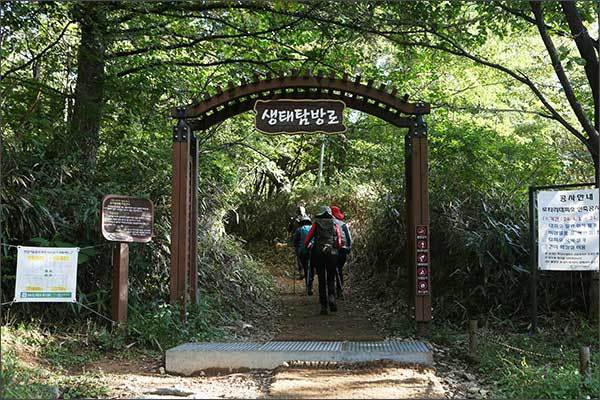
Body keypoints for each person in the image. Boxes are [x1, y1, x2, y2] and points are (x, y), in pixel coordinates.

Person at [304, 206, 342, 315]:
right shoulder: (334, 224)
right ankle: (332, 298)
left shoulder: (316, 223)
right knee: (331, 278)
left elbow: (307, 239)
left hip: (318, 253)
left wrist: (308, 247)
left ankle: (324, 306)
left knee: (321, 279)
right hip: (332, 254)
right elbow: (339, 241)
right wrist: (336, 248)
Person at [331, 205, 352, 297]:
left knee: (331, 270)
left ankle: (331, 292)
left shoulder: (327, 223)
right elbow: (349, 239)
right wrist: (348, 249)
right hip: (343, 250)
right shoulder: (343, 224)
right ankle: (339, 290)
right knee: (339, 269)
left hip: (331, 249)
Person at [293, 215, 313, 290]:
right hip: (313, 250)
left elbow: (295, 241)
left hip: (303, 251)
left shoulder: (299, 229)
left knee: (306, 268)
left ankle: (308, 287)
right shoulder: (312, 228)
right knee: (311, 267)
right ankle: (311, 283)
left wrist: (296, 248)